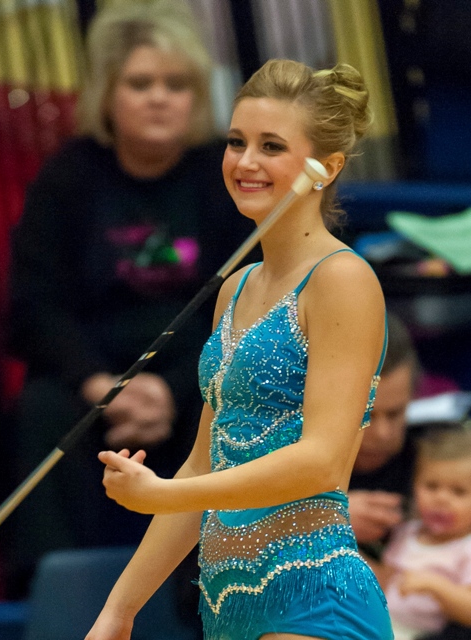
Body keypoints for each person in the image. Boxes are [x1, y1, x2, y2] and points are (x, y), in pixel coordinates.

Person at [85, 58, 393, 640]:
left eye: (271, 145)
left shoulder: (342, 280)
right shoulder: (235, 289)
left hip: (315, 600)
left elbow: (322, 460)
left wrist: (165, 495)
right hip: (227, 609)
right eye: (236, 141)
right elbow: (206, 460)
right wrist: (119, 610)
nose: (245, 162)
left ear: (324, 167)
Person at [4, 0, 255, 608]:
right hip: (88, 378)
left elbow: (240, 302)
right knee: (40, 409)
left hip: (197, 373)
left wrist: (172, 388)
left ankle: (216, 590)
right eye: (140, 84)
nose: (159, 99)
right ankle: (51, 596)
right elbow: (34, 306)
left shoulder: (221, 176)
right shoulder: (68, 177)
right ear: (106, 96)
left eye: (176, 85)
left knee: (233, 406)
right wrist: (101, 386)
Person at [368, 426, 471, 640]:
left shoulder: (466, 549)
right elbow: (387, 579)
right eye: (431, 486)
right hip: (381, 622)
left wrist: (436, 586)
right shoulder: (407, 532)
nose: (441, 499)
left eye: (458, 491)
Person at [348, 312, 420, 553]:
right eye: (365, 416)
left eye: (395, 413)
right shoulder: (280, 457)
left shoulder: (443, 457)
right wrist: (326, 521)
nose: (383, 434)